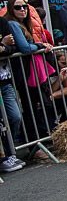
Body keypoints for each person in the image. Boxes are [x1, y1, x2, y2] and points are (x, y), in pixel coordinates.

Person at [4, 0, 57, 145]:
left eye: (25, 6)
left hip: (34, 69)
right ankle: (34, 142)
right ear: (11, 10)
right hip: (25, 71)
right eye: (18, 7)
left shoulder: (25, 24)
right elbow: (25, 48)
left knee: (41, 103)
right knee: (31, 107)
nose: (22, 10)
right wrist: (39, 46)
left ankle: (43, 136)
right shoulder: (13, 24)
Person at [0, 16, 25, 172]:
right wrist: (2, 44)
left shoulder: (2, 22)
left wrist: (3, 47)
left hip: (5, 79)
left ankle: (10, 153)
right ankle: (3, 157)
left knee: (14, 117)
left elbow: (13, 47)